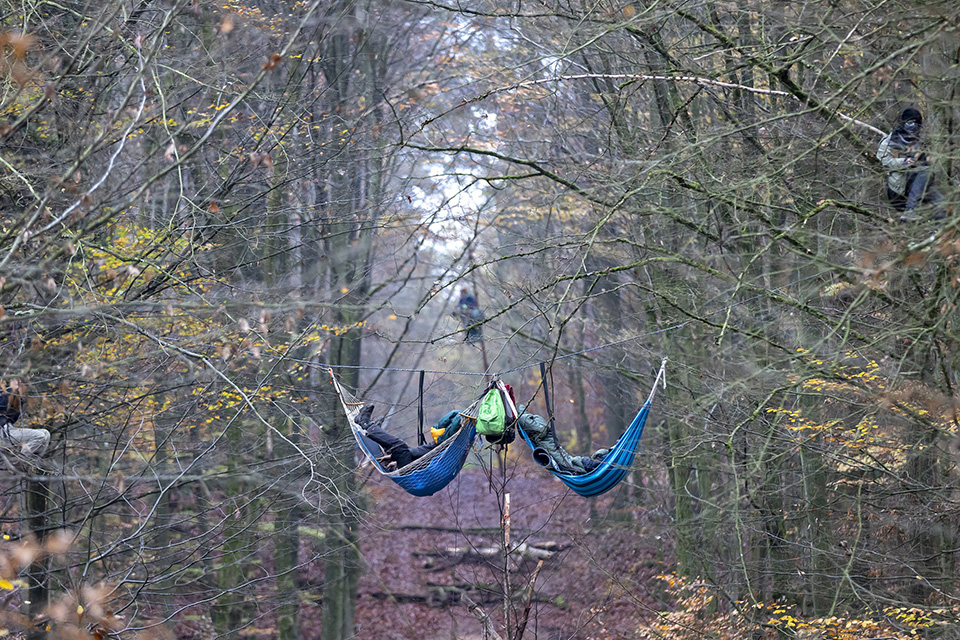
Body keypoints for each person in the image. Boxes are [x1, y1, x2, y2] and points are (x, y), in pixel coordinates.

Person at [877, 107, 944, 220]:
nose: (913, 126)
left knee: (942, 204)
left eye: (916, 123)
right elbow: (883, 161)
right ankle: (910, 211)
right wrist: (903, 162)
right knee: (925, 172)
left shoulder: (920, 142)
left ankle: (937, 233)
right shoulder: (890, 141)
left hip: (917, 186)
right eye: (910, 122)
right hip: (898, 189)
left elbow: (928, 165)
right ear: (903, 123)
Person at [355, 404, 462, 470]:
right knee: (400, 447)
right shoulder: (439, 448)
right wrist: (393, 457)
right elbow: (420, 456)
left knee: (399, 446)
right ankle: (375, 430)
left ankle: (366, 425)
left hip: (411, 473)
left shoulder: (444, 446)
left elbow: (458, 417)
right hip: (411, 468)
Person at [516, 407, 608, 475]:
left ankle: (612, 453)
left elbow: (542, 431)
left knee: (594, 464)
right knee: (591, 464)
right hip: (568, 460)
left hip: (569, 461)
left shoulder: (526, 420)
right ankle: (610, 453)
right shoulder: (531, 421)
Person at [0, 388, 50, 457]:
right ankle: (21, 460)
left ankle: (34, 462)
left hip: (9, 429)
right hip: (3, 432)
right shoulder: (8, 396)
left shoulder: (19, 401)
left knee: (46, 433)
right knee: (39, 436)